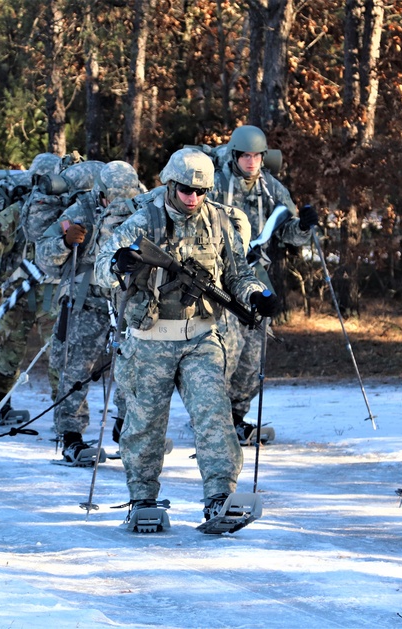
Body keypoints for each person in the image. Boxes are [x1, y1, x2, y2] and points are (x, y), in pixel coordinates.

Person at [94, 147, 277, 524]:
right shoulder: (143, 220)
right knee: (145, 424)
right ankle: (143, 499)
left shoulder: (220, 222)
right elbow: (101, 268)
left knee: (214, 416)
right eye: (184, 190)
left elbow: (238, 276)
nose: (192, 198)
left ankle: (219, 497)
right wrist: (118, 264)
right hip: (150, 338)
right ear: (169, 184)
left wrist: (257, 297)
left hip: (201, 337)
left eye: (201, 191)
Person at [209, 125, 318, 443]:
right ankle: (213, 418)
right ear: (235, 156)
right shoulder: (216, 185)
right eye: (246, 155)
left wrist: (304, 226)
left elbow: (289, 231)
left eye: (257, 155)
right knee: (225, 351)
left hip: (254, 277)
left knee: (253, 353)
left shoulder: (271, 187)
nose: (252, 161)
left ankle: (235, 416)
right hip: (219, 278)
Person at [36, 160, 142, 464]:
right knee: (73, 367)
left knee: (133, 365)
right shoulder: (80, 210)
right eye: (114, 198)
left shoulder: (142, 208)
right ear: (102, 194)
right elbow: (44, 257)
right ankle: (71, 436)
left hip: (126, 298)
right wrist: (65, 243)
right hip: (87, 297)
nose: (121, 205)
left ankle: (128, 428)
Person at [0, 152, 64, 424]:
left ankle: (64, 414)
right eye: (41, 180)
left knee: (59, 353)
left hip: (53, 291)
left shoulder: (68, 208)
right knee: (9, 348)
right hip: (19, 287)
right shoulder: (20, 207)